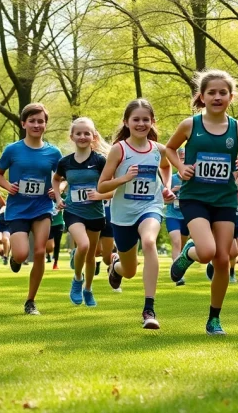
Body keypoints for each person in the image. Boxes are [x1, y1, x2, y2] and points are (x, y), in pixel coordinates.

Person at [165, 70, 238, 335]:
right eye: (212, 92)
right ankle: (188, 253)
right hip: (194, 197)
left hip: (225, 200)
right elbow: (169, 149)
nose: (217, 97)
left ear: (231, 96)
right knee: (206, 251)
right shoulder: (190, 125)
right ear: (202, 97)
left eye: (223, 92)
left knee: (222, 259)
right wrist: (181, 168)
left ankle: (214, 319)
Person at [97, 99, 175, 329]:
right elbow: (102, 186)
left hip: (150, 207)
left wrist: (166, 186)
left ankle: (149, 309)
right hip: (122, 214)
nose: (141, 124)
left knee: (149, 242)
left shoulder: (158, 150)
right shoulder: (119, 150)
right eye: (136, 119)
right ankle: (116, 266)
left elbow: (166, 166)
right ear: (126, 122)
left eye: (145, 119)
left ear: (152, 122)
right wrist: (124, 179)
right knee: (129, 271)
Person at [0, 103, 62, 315]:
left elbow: (62, 178)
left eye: (40, 121)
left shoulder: (53, 152)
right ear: (23, 123)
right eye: (32, 121)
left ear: (45, 124)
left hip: (42, 207)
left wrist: (56, 190)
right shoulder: (12, 150)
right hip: (18, 208)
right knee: (23, 254)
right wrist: (8, 186)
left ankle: (31, 301)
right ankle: (15, 258)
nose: (36, 124)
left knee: (40, 252)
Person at [53, 117, 112, 307]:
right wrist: (59, 198)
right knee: (84, 245)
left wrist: (100, 196)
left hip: (95, 213)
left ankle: (88, 289)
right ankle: (77, 280)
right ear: (72, 136)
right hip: (74, 211)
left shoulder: (100, 161)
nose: (82, 136)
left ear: (94, 136)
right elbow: (56, 180)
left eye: (87, 133)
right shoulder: (65, 162)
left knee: (90, 255)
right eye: (78, 133)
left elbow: (113, 186)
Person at [164, 149, 188, 286]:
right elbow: (163, 201)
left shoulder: (192, 179)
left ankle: (178, 268)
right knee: (176, 243)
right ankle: (177, 276)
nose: (183, 161)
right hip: (172, 216)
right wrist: (171, 192)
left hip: (187, 217)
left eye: (185, 158)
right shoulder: (171, 179)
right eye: (180, 158)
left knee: (182, 248)